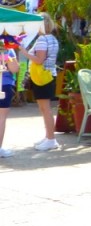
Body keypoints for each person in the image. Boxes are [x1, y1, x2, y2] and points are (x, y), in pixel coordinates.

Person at [21, 13, 60, 151]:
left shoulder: (43, 39)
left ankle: (51, 139)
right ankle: (49, 136)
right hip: (49, 75)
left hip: (43, 77)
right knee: (45, 108)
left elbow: (39, 60)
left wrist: (24, 52)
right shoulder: (52, 39)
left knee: (45, 109)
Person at [0, 41, 19, 158]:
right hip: (4, 84)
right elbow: (14, 68)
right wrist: (5, 55)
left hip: (4, 85)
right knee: (1, 118)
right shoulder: (8, 49)